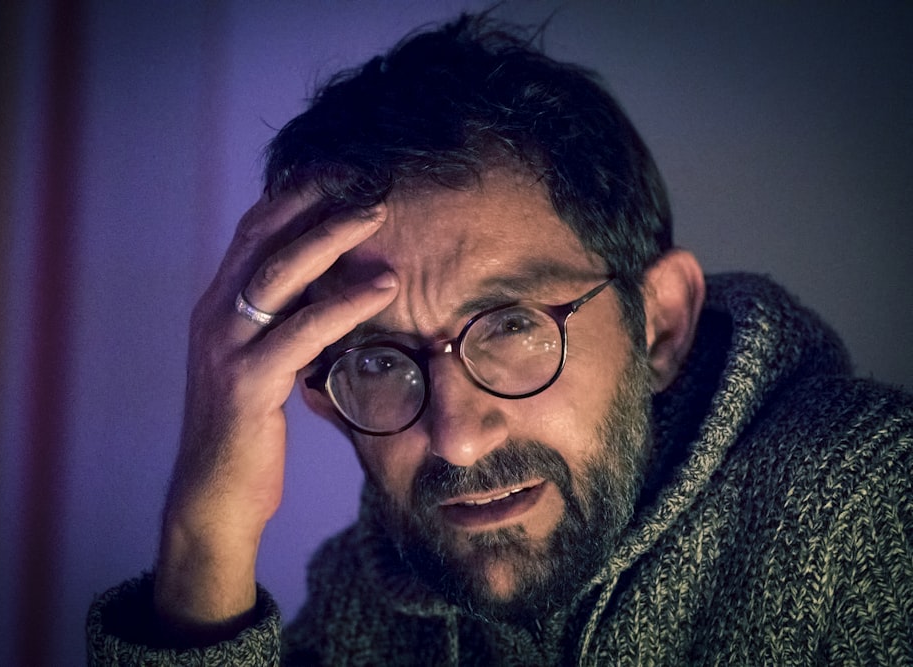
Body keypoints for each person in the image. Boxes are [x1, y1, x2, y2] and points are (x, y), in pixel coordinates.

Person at [87, 14, 912, 665]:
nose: (455, 434)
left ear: (659, 326)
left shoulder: (869, 506)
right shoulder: (371, 594)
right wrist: (207, 527)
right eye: (378, 358)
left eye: (512, 326)